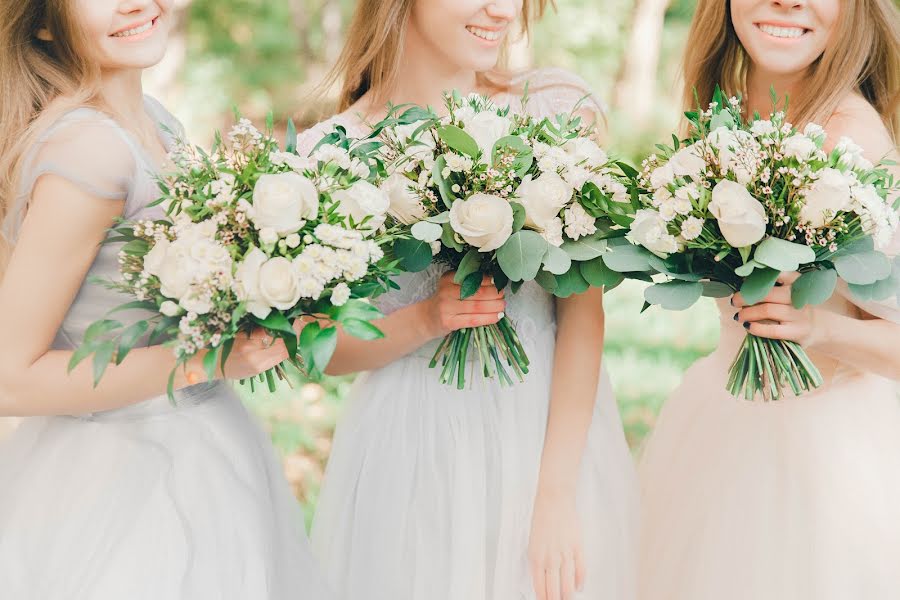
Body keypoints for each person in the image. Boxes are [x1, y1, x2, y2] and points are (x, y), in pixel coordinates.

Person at [296, 2, 638, 599]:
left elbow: (584, 315)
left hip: (548, 437)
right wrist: (423, 319)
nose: (500, 10)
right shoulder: (333, 151)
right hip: (412, 449)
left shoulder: (556, 109)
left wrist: (556, 496)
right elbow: (319, 346)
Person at [0, 2, 332, 598]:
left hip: (205, 445)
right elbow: (9, 379)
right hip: (125, 478)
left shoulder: (154, 121)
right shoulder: (89, 151)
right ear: (45, 22)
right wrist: (212, 360)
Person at [638, 1, 900, 598]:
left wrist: (822, 330)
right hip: (720, 421)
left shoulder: (855, 139)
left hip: (825, 459)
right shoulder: (708, 125)